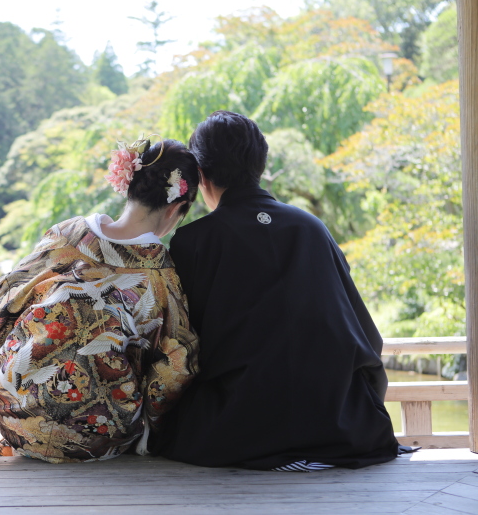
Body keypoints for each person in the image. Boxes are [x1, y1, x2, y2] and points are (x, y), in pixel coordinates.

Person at [0, 137, 200, 463]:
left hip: (13, 414)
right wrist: (152, 426)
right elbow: (176, 367)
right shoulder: (160, 273)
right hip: (96, 437)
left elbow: (4, 301)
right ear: (176, 209)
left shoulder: (68, 233)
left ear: (128, 185)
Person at [152, 111, 399, 470]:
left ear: (200, 174)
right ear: (261, 165)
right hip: (344, 427)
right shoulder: (312, 227)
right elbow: (365, 336)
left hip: (237, 430)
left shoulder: (194, 240)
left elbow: (179, 347)